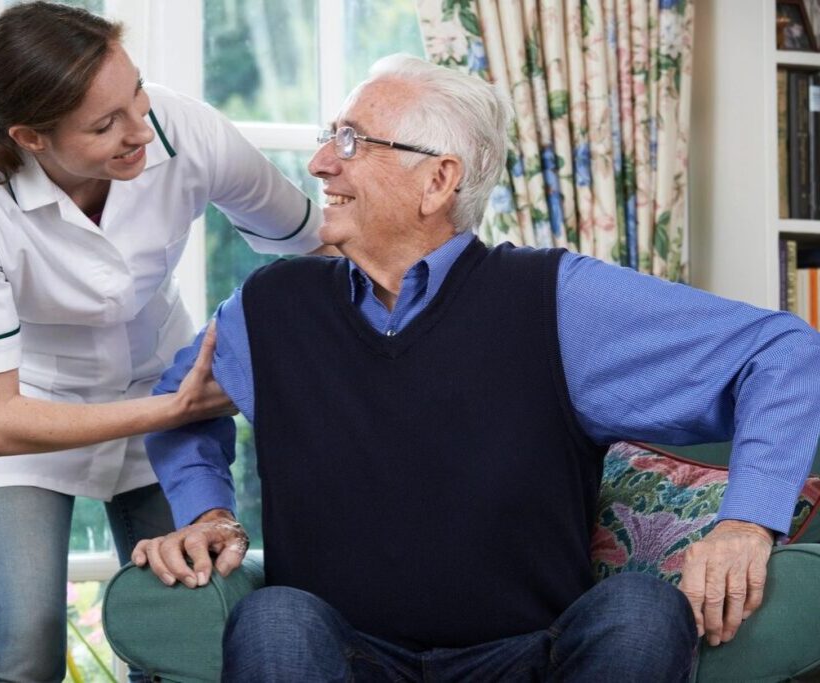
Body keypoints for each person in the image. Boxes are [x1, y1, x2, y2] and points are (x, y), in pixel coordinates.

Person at [134, 54, 820, 681]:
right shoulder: (271, 306)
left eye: (351, 141)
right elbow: (178, 400)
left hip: (531, 655)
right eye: (328, 136)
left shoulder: (559, 300)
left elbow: (785, 351)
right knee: (275, 616)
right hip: (345, 654)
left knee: (642, 609)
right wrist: (208, 510)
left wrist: (744, 524)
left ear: (437, 179)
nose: (318, 163)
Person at [0, 2, 326, 681]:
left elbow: (315, 245)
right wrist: (175, 408)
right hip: (31, 412)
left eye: (137, 94)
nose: (140, 130)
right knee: (23, 647)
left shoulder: (181, 129)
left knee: (179, 633)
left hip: (159, 382)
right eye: (105, 125)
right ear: (32, 137)